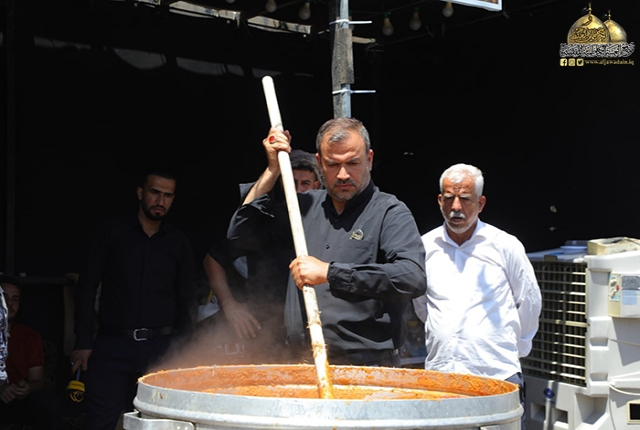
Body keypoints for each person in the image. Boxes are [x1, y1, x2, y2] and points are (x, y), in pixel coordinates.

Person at [227, 117, 426, 367]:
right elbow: (240, 233)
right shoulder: (302, 207)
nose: (343, 174)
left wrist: (330, 273)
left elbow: (412, 277)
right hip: (303, 363)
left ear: (369, 159)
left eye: (352, 163)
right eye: (333, 164)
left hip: (368, 367)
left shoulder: (390, 212)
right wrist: (273, 169)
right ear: (320, 163)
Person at [412, 163, 542, 429]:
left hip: (497, 376)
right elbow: (422, 305)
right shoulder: (425, 247)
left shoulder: (504, 245)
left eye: (465, 199)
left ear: (480, 203)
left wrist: (516, 348)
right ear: (439, 201)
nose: (456, 207)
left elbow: (529, 301)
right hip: (442, 379)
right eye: (449, 198)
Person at [71, 167, 198, 430]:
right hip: (113, 344)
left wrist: (186, 349)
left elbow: (187, 297)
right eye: (155, 192)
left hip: (161, 349)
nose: (160, 201)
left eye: (167, 195)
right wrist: (83, 341)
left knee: (159, 422)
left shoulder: (178, 242)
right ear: (140, 193)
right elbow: (87, 287)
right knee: (99, 420)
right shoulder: (111, 232)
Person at [202, 149, 324, 362]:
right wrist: (230, 306)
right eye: (292, 182)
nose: (298, 190)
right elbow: (213, 259)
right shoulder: (266, 222)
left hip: (313, 331)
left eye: (305, 183)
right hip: (265, 332)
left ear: (317, 186)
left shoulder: (328, 224)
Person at [0, 275, 63, 430]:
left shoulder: (29, 336)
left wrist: (27, 387)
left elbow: (37, 380)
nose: (9, 303)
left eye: (15, 299)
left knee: (49, 403)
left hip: (20, 400)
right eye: (4, 297)